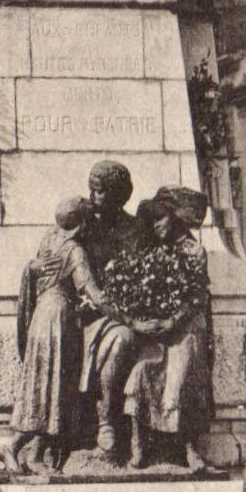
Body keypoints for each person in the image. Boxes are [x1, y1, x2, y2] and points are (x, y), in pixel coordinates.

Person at [0, 197, 96, 474]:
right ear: (82, 225)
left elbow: (35, 270)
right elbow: (90, 289)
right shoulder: (75, 251)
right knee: (52, 387)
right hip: (58, 322)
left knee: (48, 387)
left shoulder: (49, 239)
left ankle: (35, 453)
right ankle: (15, 448)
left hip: (42, 319)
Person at [122, 186, 216, 472]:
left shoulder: (194, 251)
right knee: (139, 376)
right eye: (153, 221)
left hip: (186, 326)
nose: (156, 226)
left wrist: (171, 321)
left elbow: (197, 296)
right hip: (156, 333)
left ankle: (190, 449)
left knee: (180, 375)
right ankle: (138, 448)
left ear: (175, 218)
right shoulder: (150, 251)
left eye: (161, 219)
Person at [77, 161, 142, 462]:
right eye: (91, 188)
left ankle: (108, 419)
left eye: (100, 191)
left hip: (122, 314)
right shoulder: (83, 224)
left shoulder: (134, 230)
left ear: (118, 195)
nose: (93, 196)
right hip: (88, 315)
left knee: (123, 340)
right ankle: (102, 423)